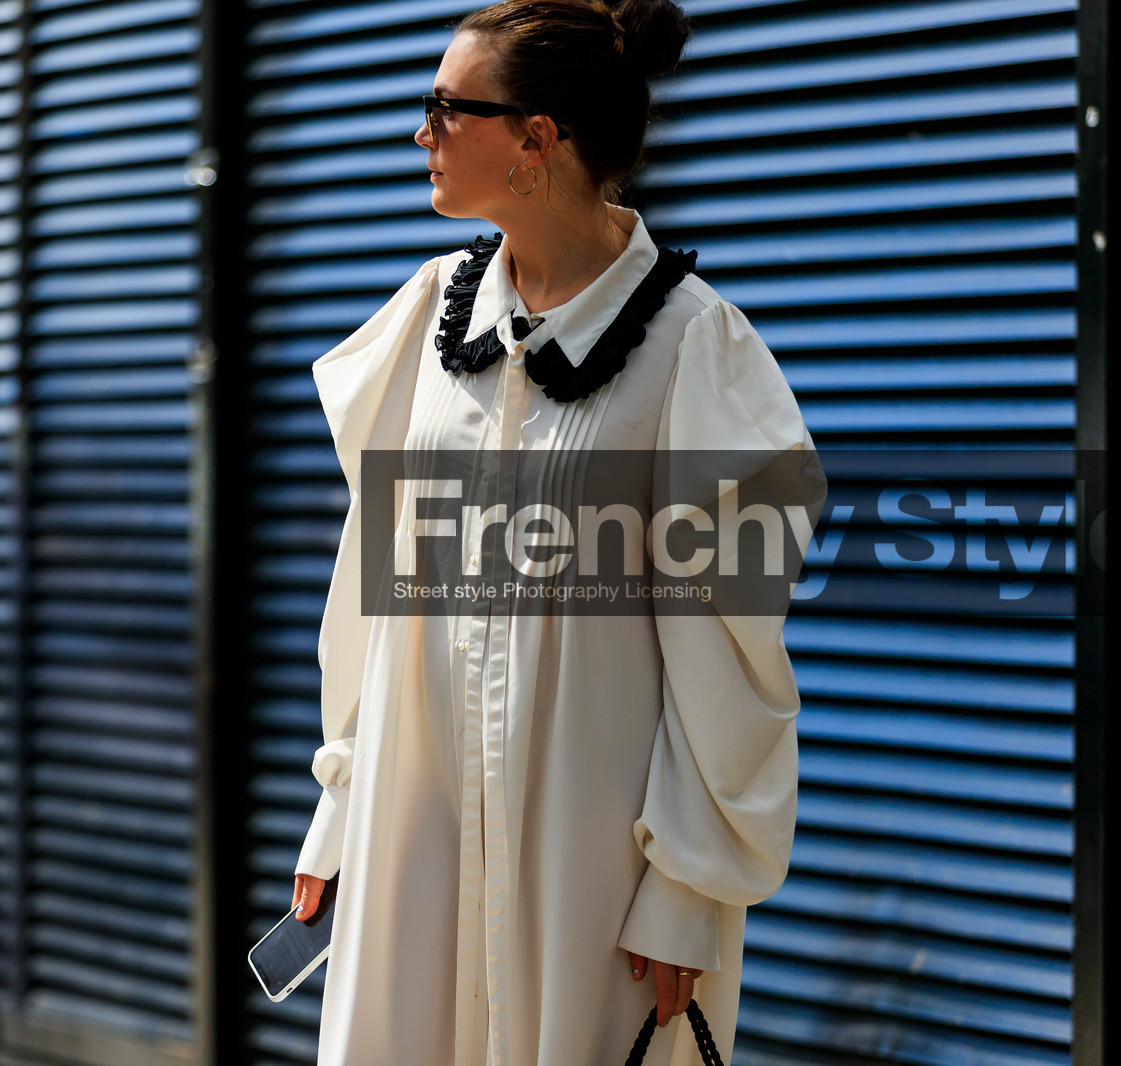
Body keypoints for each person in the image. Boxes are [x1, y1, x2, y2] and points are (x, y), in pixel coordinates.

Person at [286, 2, 821, 1064]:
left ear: (538, 140)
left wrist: (689, 885)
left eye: (446, 109)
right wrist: (342, 798)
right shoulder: (430, 314)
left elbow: (732, 650)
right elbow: (370, 583)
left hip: (595, 863)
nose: (419, 133)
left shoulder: (693, 347)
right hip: (414, 828)